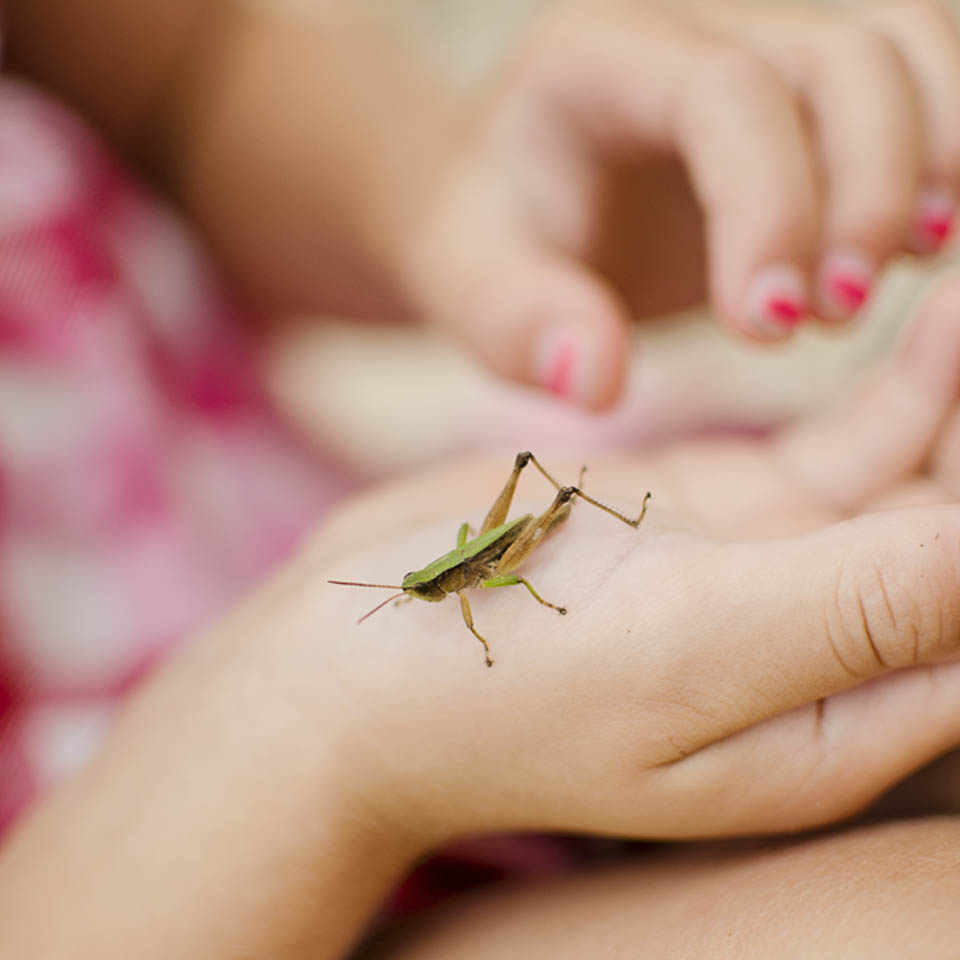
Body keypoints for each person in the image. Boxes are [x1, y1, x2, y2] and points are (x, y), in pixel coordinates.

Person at [2, 0, 960, 956]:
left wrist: (456, 201)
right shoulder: (418, 621)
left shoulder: (465, 579)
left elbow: (180, 73)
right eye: (424, 592)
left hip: (325, 544)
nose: (433, 595)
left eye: (424, 590)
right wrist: (308, 733)